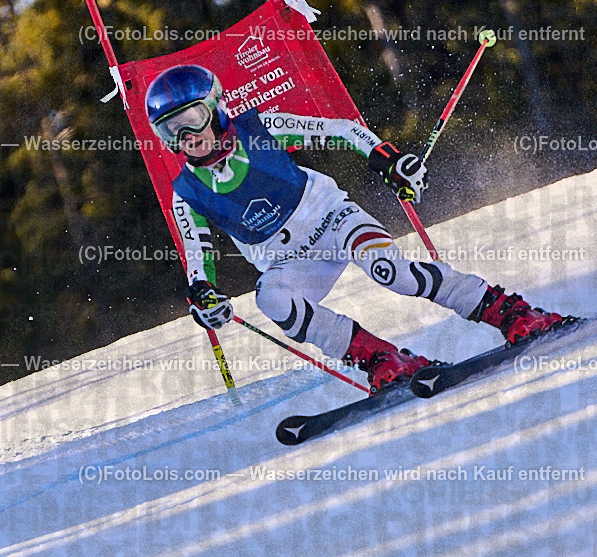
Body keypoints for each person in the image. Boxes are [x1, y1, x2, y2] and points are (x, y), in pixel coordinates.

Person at [147, 65, 567, 392]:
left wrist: (389, 160)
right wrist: (203, 296)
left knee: (392, 273)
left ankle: (513, 312)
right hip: (288, 261)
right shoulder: (186, 192)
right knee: (271, 300)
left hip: (331, 221)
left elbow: (339, 130)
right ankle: (384, 360)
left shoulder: (261, 130)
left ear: (216, 106)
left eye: (193, 118)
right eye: (171, 129)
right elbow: (197, 257)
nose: (187, 136)